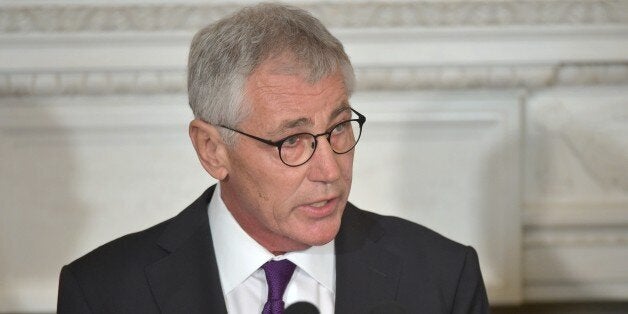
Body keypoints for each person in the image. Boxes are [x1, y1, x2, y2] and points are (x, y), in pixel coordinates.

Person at [57, 3, 489, 313]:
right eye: (292, 141)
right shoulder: (104, 292)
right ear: (212, 150)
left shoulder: (441, 279)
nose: (330, 170)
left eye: (338, 128)